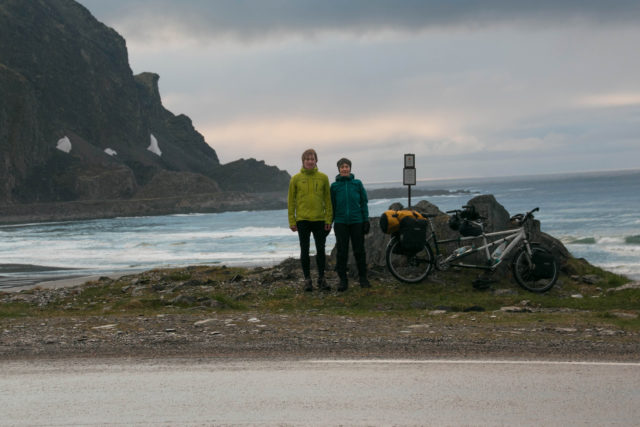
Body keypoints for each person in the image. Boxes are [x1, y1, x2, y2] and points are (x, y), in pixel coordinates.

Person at [288, 148, 333, 292]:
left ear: (316, 161)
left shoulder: (323, 178)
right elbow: (291, 202)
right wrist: (292, 221)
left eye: (312, 159)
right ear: (303, 161)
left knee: (321, 250)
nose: (310, 161)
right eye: (307, 159)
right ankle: (307, 280)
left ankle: (321, 279)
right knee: (304, 250)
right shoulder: (295, 179)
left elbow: (328, 200)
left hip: (320, 219)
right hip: (302, 220)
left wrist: (328, 220)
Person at [330, 157, 370, 291]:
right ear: (339, 169)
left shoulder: (357, 184)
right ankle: (343, 281)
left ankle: (363, 278)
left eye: (347, 166)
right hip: (341, 222)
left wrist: (366, 220)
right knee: (342, 252)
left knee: (359, 251)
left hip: (356, 222)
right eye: (342, 167)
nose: (345, 169)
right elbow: (332, 206)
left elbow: (363, 202)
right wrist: (329, 222)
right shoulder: (334, 186)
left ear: (350, 169)